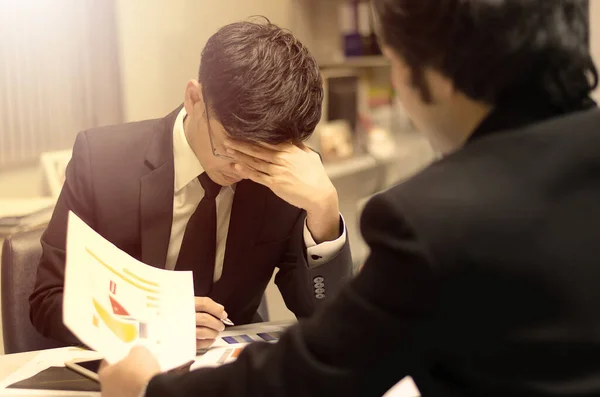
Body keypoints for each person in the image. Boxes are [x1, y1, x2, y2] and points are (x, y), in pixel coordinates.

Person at [99, 0, 600, 396]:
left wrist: (151, 392)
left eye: (395, 63)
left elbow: (315, 371)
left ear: (437, 77)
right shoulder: (106, 159)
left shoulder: (438, 221)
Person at [29, 19, 352, 350]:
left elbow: (331, 325)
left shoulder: (286, 176)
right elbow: (49, 301)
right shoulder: (103, 162)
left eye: (265, 158)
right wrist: (150, 322)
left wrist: (324, 209)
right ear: (194, 99)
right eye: (231, 148)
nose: (243, 169)